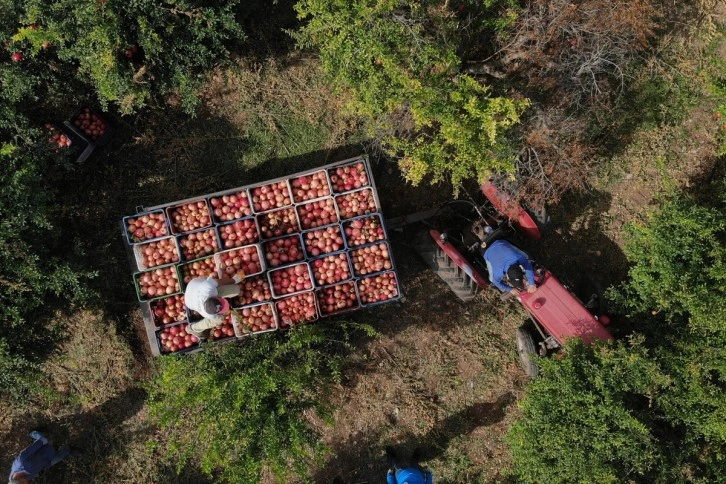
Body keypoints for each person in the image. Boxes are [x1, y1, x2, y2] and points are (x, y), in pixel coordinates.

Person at [184, 272, 244, 339]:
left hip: (192, 285)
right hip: (189, 302)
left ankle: (211, 281)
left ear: (213, 297)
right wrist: (224, 313)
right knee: (219, 320)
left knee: (236, 290)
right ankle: (193, 328)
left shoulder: (207, 287)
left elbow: (219, 281)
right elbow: (219, 315)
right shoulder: (208, 314)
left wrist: (234, 280)